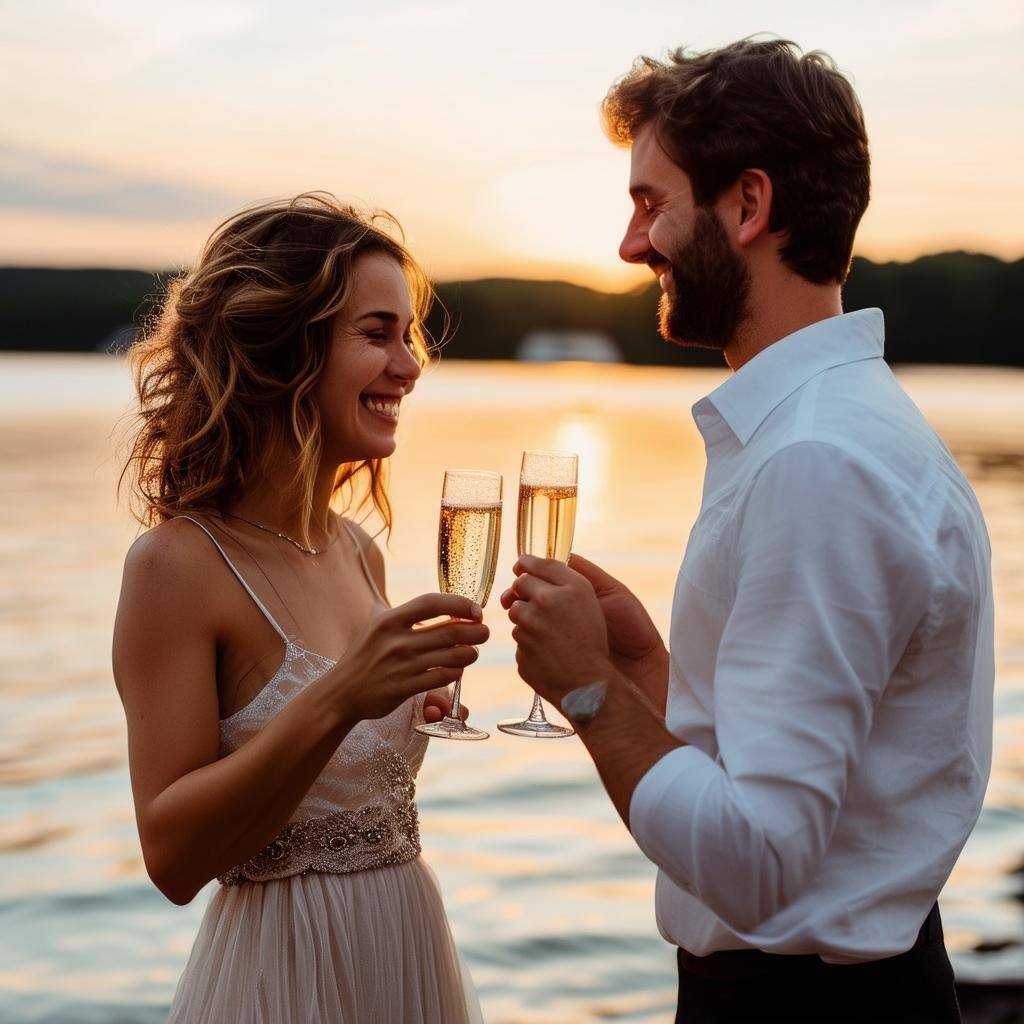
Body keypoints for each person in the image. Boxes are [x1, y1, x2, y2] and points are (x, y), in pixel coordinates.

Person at [503, 39, 993, 1023]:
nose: (630, 246)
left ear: (747, 205)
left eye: (651, 202)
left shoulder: (815, 463)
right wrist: (650, 674)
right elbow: (811, 773)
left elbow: (760, 863)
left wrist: (591, 693)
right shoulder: (837, 431)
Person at [113, 193, 486, 1022]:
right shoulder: (178, 565)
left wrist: (406, 707)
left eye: (409, 336)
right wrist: (344, 696)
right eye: (377, 333)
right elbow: (171, 858)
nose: (410, 366)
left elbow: (346, 765)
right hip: (285, 974)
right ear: (286, 349)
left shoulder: (358, 550)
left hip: (403, 949)